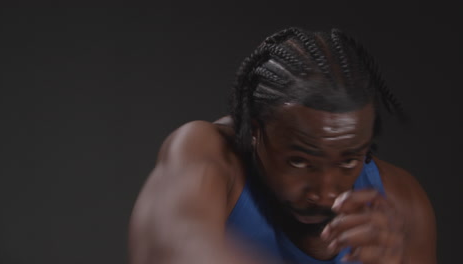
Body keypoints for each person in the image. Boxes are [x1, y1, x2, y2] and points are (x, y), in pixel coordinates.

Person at [128, 27, 437, 264]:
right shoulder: (209, 156)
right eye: (299, 161)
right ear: (254, 131)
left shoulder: (401, 204)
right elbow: (171, 249)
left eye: (348, 162)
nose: (326, 192)